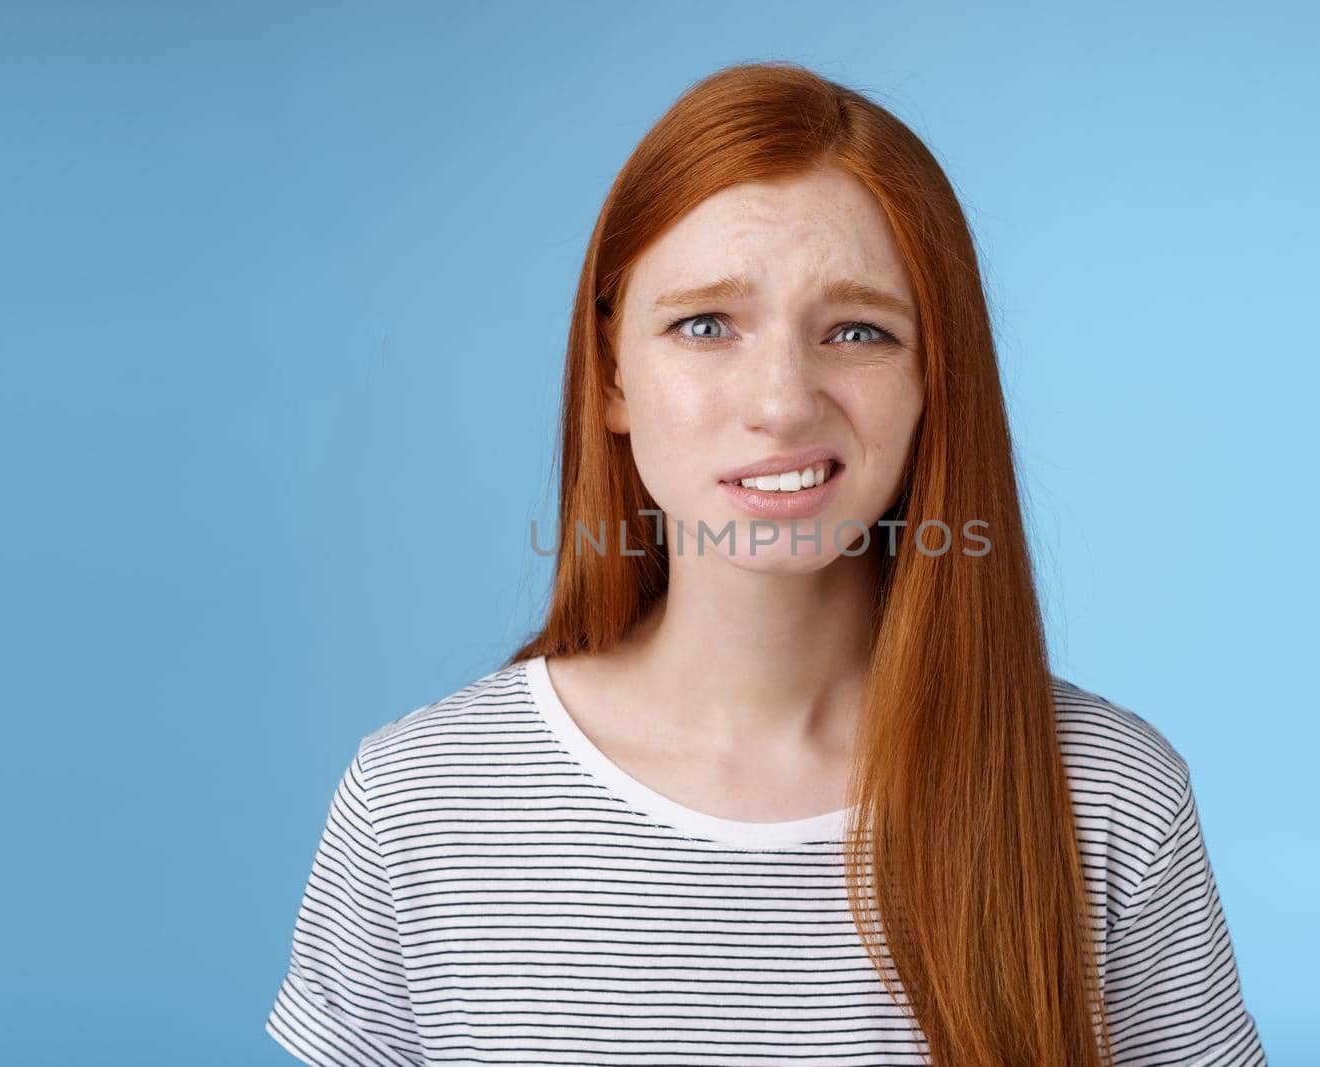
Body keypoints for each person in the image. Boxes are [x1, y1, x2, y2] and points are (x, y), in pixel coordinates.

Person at [265, 61, 1267, 1066]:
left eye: (858, 330)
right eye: (706, 324)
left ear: (935, 384)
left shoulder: (1108, 800)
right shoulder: (417, 800)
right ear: (611, 373)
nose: (783, 400)